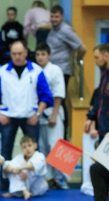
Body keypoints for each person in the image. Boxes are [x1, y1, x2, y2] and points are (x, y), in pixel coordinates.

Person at [0, 41, 53, 162]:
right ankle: (5, 175)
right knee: (5, 150)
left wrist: (38, 114)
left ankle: (34, 174)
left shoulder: (37, 71)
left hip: (30, 116)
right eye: (14, 54)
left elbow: (45, 96)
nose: (17, 56)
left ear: (26, 53)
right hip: (8, 116)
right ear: (10, 54)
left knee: (34, 151)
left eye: (19, 53)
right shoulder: (2, 72)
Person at [34, 43, 67, 189]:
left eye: (43, 54)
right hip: (40, 114)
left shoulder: (55, 70)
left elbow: (58, 94)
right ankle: (49, 178)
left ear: (49, 55)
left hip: (54, 112)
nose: (40, 57)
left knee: (56, 146)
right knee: (43, 147)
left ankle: (63, 178)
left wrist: (54, 114)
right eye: (38, 55)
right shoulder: (35, 70)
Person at [46, 5, 86, 89]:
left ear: (62, 17)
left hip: (62, 72)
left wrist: (78, 60)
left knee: (59, 96)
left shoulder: (66, 30)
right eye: (52, 17)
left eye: (56, 17)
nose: (54, 19)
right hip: (51, 70)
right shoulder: (53, 29)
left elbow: (82, 48)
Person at [2, 135, 48, 200]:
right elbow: (6, 166)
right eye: (24, 147)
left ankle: (16, 192)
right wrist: (15, 171)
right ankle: (23, 191)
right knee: (12, 167)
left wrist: (19, 168)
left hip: (37, 188)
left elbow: (32, 166)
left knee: (23, 169)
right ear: (21, 149)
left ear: (35, 145)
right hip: (25, 185)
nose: (27, 149)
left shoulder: (40, 156)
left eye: (29, 145)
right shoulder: (19, 157)